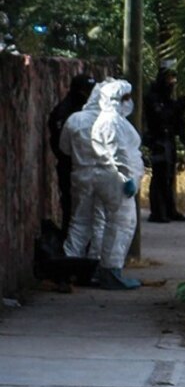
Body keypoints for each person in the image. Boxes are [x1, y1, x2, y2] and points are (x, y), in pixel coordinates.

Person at [63, 78, 144, 290]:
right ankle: (105, 269)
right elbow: (119, 153)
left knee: (82, 223)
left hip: (83, 174)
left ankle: (71, 267)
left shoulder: (78, 119)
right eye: (125, 97)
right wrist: (128, 179)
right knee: (117, 224)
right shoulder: (111, 121)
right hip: (112, 179)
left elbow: (64, 148)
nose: (129, 101)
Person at [48, 74, 97, 233]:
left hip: (87, 168)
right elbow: (61, 146)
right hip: (71, 168)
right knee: (73, 213)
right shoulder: (65, 112)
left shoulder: (87, 111)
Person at [145, 61, 185, 223]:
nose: (172, 82)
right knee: (159, 176)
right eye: (169, 78)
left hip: (168, 140)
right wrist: (177, 107)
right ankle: (157, 212)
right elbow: (161, 116)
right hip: (157, 140)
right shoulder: (153, 97)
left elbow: (175, 120)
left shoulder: (167, 97)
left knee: (169, 176)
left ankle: (170, 210)